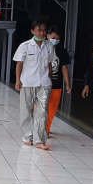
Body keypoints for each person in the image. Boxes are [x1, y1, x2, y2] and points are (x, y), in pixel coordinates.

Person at [14, 20, 56, 150]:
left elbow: (50, 64)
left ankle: (39, 140)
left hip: (44, 83)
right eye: (39, 30)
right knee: (26, 110)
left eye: (44, 30)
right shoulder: (25, 46)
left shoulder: (49, 46)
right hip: (27, 82)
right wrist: (17, 81)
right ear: (33, 31)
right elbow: (19, 64)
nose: (42, 33)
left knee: (42, 112)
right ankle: (28, 136)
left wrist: (50, 79)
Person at [46, 27, 72, 136]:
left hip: (56, 85)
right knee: (42, 107)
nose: (55, 40)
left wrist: (68, 84)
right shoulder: (42, 48)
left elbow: (64, 68)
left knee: (52, 108)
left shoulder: (62, 51)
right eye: (53, 37)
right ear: (47, 36)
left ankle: (46, 128)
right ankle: (40, 128)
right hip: (43, 84)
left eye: (57, 38)